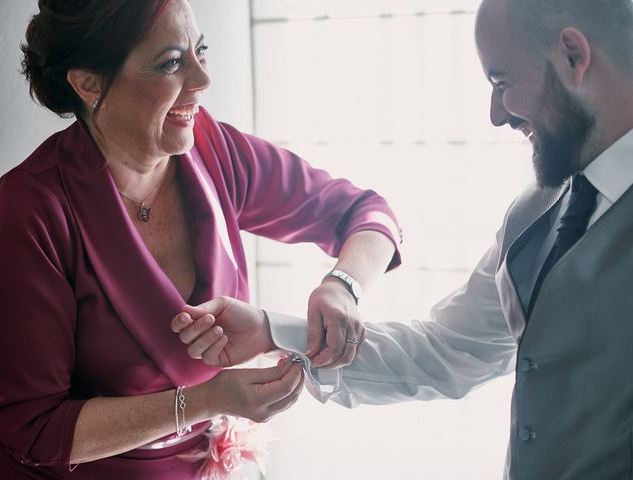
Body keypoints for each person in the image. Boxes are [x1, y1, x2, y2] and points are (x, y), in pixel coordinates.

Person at [172, 0, 633, 478]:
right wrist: (272, 332)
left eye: (501, 83)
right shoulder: (535, 210)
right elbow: (447, 351)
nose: (496, 115)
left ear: (573, 56)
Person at [0, 0, 402, 478]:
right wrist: (204, 401)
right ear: (88, 83)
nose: (203, 79)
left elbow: (367, 214)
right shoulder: (32, 208)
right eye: (171, 62)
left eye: (200, 50)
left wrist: (342, 285)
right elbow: (34, 429)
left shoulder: (217, 151)